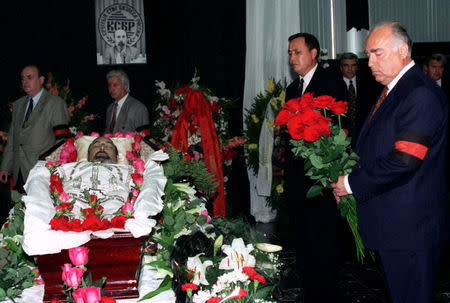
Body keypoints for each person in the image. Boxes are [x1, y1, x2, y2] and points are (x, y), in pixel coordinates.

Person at [331, 21, 449, 303]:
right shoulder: (396, 89)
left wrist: (349, 183)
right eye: (368, 54)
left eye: (377, 53)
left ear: (403, 51)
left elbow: (404, 160)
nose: (369, 62)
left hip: (410, 230)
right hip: (397, 226)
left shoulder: (418, 93)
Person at [284, 32, 342, 303]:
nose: (292, 57)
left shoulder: (329, 82)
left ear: (314, 52)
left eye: (297, 52)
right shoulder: (292, 88)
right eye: (290, 53)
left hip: (320, 180)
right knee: (303, 246)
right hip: (297, 182)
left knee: (323, 246)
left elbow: (333, 131)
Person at [0, 65, 69, 192]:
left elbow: (63, 142)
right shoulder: (18, 105)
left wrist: (52, 170)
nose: (25, 82)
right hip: (18, 171)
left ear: (41, 80)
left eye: (29, 77)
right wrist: (5, 167)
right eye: (22, 78)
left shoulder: (55, 103)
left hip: (41, 173)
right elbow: (12, 139)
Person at [336, 52, 377, 145]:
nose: (350, 69)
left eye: (353, 65)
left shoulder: (369, 85)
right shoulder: (334, 86)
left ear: (357, 67)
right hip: (342, 136)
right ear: (341, 68)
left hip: (364, 134)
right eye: (346, 65)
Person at [104, 70, 149, 134]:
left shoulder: (139, 108)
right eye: (109, 85)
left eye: (115, 85)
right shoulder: (110, 108)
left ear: (125, 86)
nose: (111, 88)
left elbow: (143, 137)